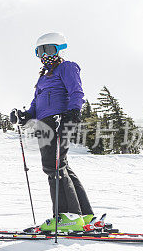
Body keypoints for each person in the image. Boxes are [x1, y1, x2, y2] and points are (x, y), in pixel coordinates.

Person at [10, 32, 95, 233]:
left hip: (58, 120)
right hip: (44, 123)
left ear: (59, 49)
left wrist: (73, 112)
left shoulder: (66, 67)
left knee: (53, 166)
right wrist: (24, 116)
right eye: (40, 51)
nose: (44, 55)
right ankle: (84, 215)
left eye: (49, 49)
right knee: (61, 165)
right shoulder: (42, 77)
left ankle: (67, 216)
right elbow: (36, 104)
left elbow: (76, 91)